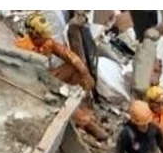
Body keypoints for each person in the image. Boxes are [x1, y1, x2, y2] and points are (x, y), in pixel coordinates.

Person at [14, 12, 108, 141]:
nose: (47, 39)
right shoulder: (22, 48)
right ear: (34, 35)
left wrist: (85, 73)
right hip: (32, 83)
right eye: (44, 37)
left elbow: (68, 55)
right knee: (60, 101)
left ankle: (82, 105)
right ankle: (84, 122)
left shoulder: (47, 42)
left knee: (74, 68)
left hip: (47, 75)